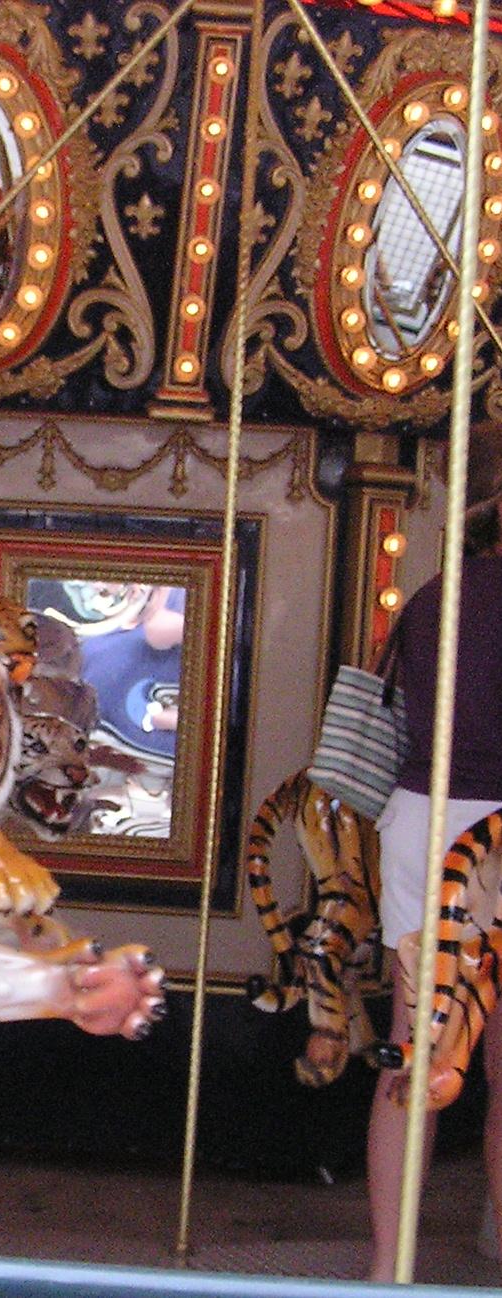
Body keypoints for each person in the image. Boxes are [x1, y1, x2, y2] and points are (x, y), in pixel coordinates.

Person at [367, 435, 502, 1282]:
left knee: (412, 1046)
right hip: (493, 829)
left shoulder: (429, 597)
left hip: (420, 817)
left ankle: (388, 1265)